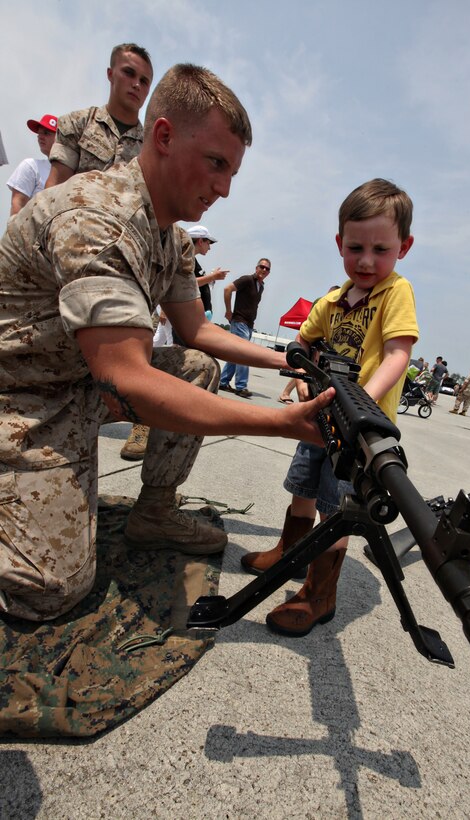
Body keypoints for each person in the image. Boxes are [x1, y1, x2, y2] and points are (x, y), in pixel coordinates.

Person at [0, 63, 333, 623]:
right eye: (216, 164)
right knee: (50, 589)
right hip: (24, 395)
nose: (225, 188)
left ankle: (153, 512)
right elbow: (126, 378)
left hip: (77, 382)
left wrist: (292, 359)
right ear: (163, 136)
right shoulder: (96, 218)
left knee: (195, 365)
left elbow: (197, 331)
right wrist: (281, 423)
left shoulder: (170, 234)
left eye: (232, 171)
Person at [240, 178, 419, 637]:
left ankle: (320, 593)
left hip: (360, 428)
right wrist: (303, 380)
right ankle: (288, 552)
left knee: (335, 506)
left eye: (381, 249)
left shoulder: (395, 292)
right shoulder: (334, 300)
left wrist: (362, 401)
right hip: (319, 417)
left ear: (404, 247)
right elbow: (301, 343)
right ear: (339, 243)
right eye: (355, 246)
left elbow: (399, 353)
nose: (365, 259)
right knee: (302, 484)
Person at [121, 224, 229, 460]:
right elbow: (174, 289)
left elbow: (182, 291)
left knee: (193, 362)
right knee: (167, 361)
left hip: (184, 319)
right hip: (150, 321)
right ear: (198, 241)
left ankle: (156, 423)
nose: (209, 246)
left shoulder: (185, 255)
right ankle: (145, 421)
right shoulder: (170, 249)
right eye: (207, 242)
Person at [45, 43, 153, 187]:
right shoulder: (77, 124)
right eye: (129, 73)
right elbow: (54, 187)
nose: (136, 85)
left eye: (144, 81)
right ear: (110, 74)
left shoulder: (150, 149)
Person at [218, 259, 271, 398]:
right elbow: (227, 289)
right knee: (244, 353)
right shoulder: (247, 280)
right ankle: (241, 386)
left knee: (236, 354)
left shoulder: (261, 286)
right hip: (239, 321)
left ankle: (223, 382)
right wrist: (228, 311)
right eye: (262, 267)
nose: (264, 270)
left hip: (249, 325)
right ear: (256, 267)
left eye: (267, 269)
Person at [6, 114, 58, 215]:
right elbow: (18, 204)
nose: (40, 137)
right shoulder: (31, 166)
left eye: (46, 133)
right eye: (39, 134)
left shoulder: (74, 170)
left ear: (59, 138)